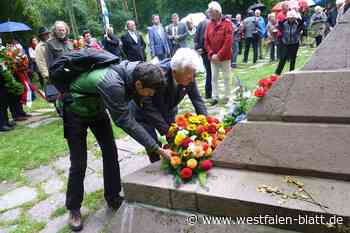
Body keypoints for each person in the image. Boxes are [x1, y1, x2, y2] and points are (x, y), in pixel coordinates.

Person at [61, 58, 172, 231]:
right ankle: (74, 208)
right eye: (150, 92)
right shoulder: (113, 84)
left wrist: (168, 132)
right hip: (75, 110)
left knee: (111, 153)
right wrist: (157, 148)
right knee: (79, 162)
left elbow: (142, 109)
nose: (151, 95)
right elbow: (125, 120)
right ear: (138, 85)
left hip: (97, 109)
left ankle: (112, 197)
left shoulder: (137, 72)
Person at [129, 48, 207, 162]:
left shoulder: (188, 72)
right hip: (143, 113)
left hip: (168, 110)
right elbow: (149, 108)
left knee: (177, 141)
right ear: (175, 72)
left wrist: (205, 122)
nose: (192, 80)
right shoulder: (157, 77)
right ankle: (155, 166)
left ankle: (177, 164)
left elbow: (197, 99)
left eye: (193, 76)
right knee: (153, 145)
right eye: (189, 77)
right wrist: (168, 131)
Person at [205, 1, 233, 106]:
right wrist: (212, 54)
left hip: (225, 57)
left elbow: (228, 42)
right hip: (213, 57)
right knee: (214, 78)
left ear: (217, 11)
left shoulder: (227, 23)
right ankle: (215, 96)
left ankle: (227, 96)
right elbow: (206, 41)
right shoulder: (209, 25)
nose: (209, 13)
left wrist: (219, 55)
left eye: (211, 11)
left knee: (226, 77)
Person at [275, 10, 303, 75]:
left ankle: (291, 72)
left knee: (293, 58)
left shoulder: (298, 23)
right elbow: (278, 27)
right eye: (290, 18)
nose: (291, 19)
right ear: (287, 18)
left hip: (295, 43)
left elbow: (302, 28)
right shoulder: (283, 23)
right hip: (285, 43)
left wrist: (299, 32)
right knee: (283, 58)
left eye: (293, 18)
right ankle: (277, 73)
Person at [195, 14, 212, 99]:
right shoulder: (210, 23)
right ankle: (210, 93)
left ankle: (208, 93)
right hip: (209, 51)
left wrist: (198, 49)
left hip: (203, 51)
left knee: (209, 72)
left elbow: (196, 37)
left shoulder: (200, 23)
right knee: (211, 73)